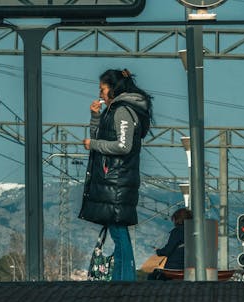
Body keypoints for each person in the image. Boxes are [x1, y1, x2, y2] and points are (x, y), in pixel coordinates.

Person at [79, 68, 153, 281]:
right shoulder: (116, 110)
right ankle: (122, 278)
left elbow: (123, 145)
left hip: (117, 181)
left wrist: (92, 144)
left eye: (102, 89)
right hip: (115, 181)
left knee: (119, 233)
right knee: (118, 231)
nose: (100, 93)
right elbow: (102, 137)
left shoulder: (122, 111)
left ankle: (125, 280)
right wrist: (95, 117)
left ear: (114, 88)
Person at [148, 207, 192, 280]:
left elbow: (168, 251)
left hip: (175, 267)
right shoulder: (194, 231)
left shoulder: (177, 231)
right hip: (188, 267)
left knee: (152, 276)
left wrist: (158, 251)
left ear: (178, 220)